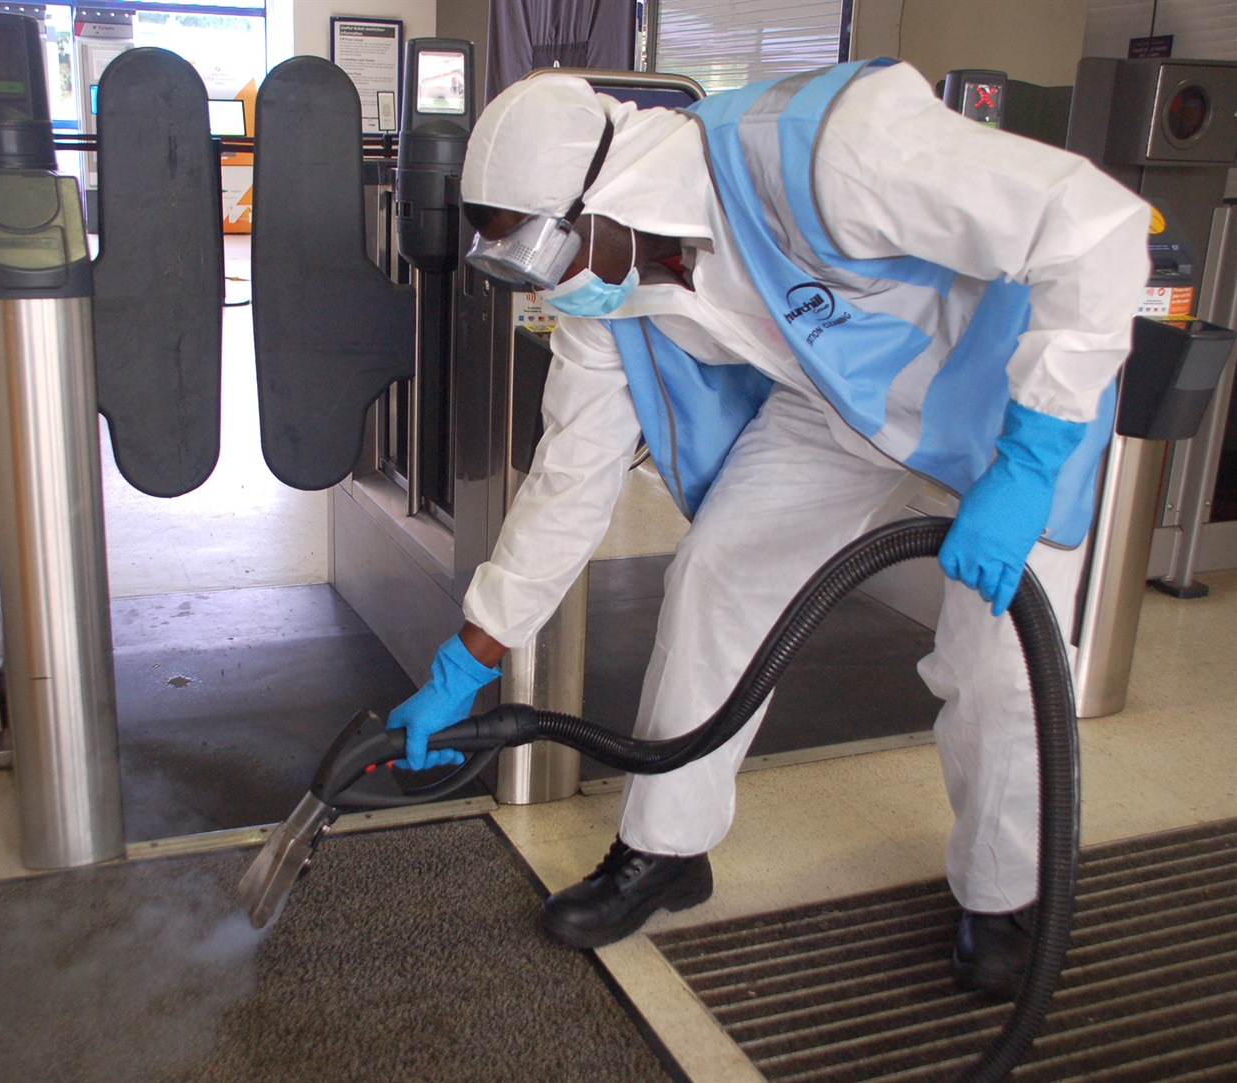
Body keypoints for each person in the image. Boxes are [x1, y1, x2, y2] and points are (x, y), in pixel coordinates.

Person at [385, 59, 1149, 1000]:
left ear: (603, 198)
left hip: (1008, 410)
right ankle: (667, 847)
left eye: (549, 259)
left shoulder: (830, 149)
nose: (554, 291)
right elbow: (567, 483)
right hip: (838, 412)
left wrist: (1030, 463)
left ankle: (1006, 897)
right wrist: (468, 660)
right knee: (719, 573)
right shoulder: (613, 288)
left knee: (998, 659)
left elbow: (1096, 228)